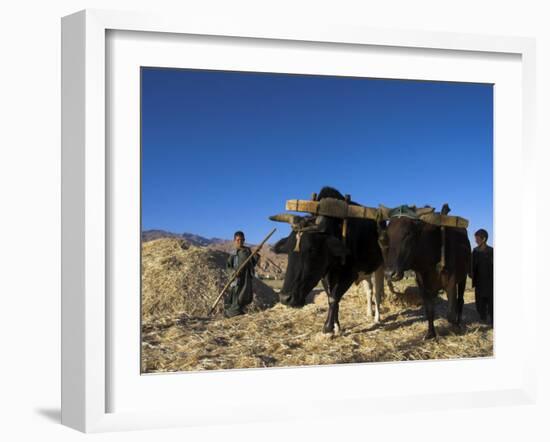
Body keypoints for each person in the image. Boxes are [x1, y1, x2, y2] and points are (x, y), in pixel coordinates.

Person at [224, 231, 260, 318]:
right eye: (238, 240)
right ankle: (231, 313)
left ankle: (239, 311)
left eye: (242, 240)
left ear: (244, 240)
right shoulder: (233, 253)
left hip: (246, 278)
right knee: (235, 296)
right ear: (234, 240)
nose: (240, 241)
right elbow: (228, 266)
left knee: (244, 296)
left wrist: (255, 254)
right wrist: (233, 272)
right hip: (237, 278)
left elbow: (252, 263)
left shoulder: (247, 251)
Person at [471, 228, 494, 326]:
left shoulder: (492, 251)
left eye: (477, 238)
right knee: (480, 303)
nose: (475, 240)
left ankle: (493, 319)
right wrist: (470, 273)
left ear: (484, 239)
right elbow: (471, 265)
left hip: (490, 282)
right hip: (479, 281)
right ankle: (483, 318)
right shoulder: (475, 251)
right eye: (475, 238)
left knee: (492, 302)